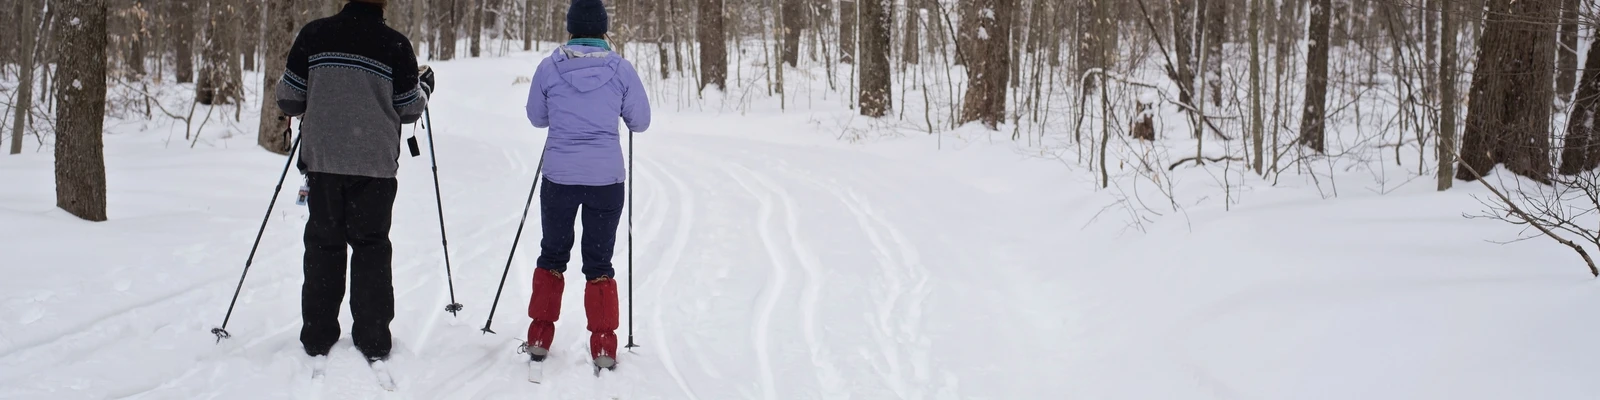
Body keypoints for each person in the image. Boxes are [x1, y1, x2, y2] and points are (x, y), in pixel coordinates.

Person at [275, 0, 434, 363]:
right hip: (374, 166)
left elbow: (288, 98)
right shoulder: (395, 45)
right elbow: (409, 108)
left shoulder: (314, 35)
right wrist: (424, 87)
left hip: (323, 161)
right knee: (371, 248)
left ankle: (317, 335)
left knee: (323, 244)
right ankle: (373, 337)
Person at [522, 0, 651, 371]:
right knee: (599, 261)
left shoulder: (549, 68)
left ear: (571, 28)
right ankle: (604, 346)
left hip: (560, 177)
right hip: (605, 181)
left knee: (553, 254)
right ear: (602, 28)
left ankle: (539, 336)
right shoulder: (622, 69)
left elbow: (536, 117)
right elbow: (639, 122)